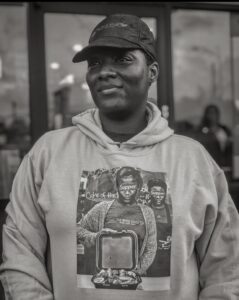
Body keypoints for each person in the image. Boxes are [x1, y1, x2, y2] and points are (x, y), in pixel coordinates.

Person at [0, 13, 239, 300]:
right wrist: (100, 238)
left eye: (123, 59)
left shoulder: (192, 160)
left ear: (152, 71)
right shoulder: (48, 154)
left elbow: (227, 267)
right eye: (95, 63)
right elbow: (20, 254)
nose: (104, 71)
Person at [77, 166, 157, 276]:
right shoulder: (101, 208)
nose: (127, 191)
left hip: (135, 278)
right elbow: (77, 229)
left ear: (138, 186)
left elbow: (150, 248)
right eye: (123, 186)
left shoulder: (148, 213)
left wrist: (135, 272)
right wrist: (96, 237)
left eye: (132, 186)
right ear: (117, 186)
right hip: (105, 276)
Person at [146, 178, 172, 277]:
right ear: (149, 192)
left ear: (165, 193)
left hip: (168, 255)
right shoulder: (144, 210)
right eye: (154, 191)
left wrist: (172, 240)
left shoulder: (172, 210)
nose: (158, 195)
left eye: (161, 192)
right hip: (151, 256)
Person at [197, 104, 232, 170]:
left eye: (214, 113)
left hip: (225, 163)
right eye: (209, 113)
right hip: (210, 163)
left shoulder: (224, 129)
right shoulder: (202, 131)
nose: (211, 116)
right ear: (206, 115)